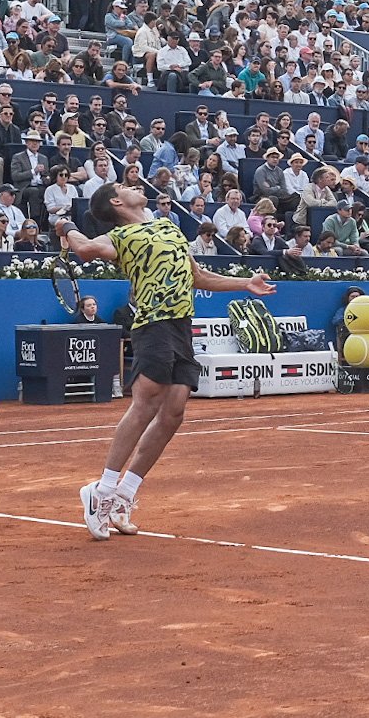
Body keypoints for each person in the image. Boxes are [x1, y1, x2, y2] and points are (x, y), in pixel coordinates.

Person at [57, 180, 275, 541]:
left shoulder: (169, 225)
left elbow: (198, 276)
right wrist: (66, 227)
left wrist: (244, 283)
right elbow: (85, 249)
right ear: (116, 201)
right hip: (153, 324)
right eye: (123, 185)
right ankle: (101, 491)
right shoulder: (122, 236)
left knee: (174, 411)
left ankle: (124, 496)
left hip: (180, 325)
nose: (132, 184)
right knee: (147, 402)